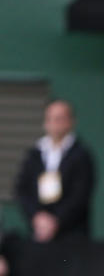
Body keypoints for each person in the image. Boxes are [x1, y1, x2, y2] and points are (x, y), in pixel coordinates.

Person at [14, 99, 95, 242]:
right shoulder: (35, 153)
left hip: (71, 235)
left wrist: (56, 221)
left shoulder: (81, 155)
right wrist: (37, 217)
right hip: (39, 233)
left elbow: (80, 195)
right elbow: (22, 189)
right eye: (51, 119)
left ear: (71, 121)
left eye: (60, 119)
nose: (55, 124)